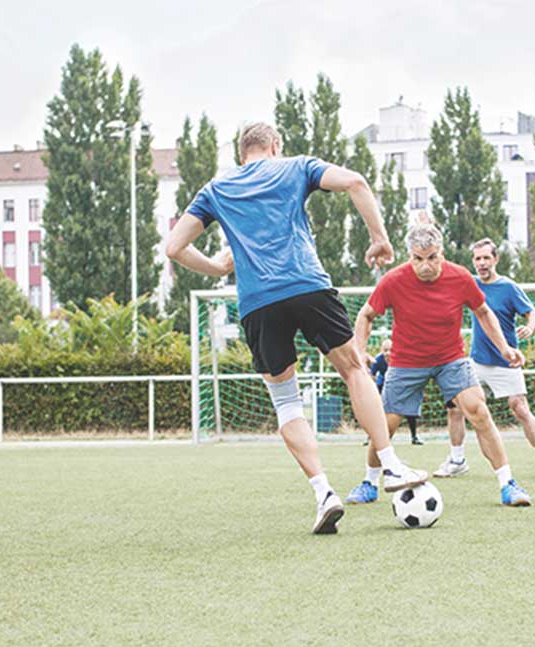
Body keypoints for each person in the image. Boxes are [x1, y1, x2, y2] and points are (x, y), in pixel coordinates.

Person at [166, 122, 427, 535]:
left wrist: (218, 267)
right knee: (355, 369)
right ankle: (390, 464)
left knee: (286, 402)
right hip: (307, 285)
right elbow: (356, 182)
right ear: (275, 146)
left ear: (241, 154)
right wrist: (379, 238)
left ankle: (324, 491)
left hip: (257, 303)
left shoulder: (216, 188)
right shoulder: (296, 167)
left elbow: (173, 247)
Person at [346, 222, 534, 507]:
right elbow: (366, 315)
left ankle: (508, 484)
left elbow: (483, 312)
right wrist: (360, 353)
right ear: (410, 256)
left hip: (451, 359)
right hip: (406, 362)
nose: (425, 266)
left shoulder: (459, 277)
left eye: (432, 257)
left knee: (478, 411)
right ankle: (369, 482)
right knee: (385, 425)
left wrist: (505, 349)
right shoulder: (393, 280)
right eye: (418, 259)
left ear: (441, 254)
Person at [436, 238, 535, 479]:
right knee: (454, 408)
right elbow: (442, 267)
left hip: (506, 361)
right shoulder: (468, 284)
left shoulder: (508, 287)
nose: (481, 263)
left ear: (496, 259)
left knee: (520, 408)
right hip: (476, 362)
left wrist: (531, 327)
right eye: (477, 258)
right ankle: (457, 460)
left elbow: (533, 314)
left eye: (486, 258)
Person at [368, 339, 423, 445]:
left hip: (401, 385)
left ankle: (414, 436)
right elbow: (372, 376)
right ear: (381, 350)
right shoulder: (378, 360)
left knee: (409, 410)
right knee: (378, 411)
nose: (388, 353)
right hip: (383, 385)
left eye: (390, 350)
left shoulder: (402, 358)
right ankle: (371, 437)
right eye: (385, 350)